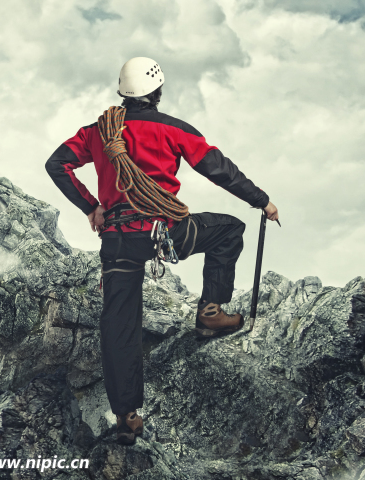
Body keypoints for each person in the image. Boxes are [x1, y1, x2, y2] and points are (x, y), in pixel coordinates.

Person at [45, 57, 279, 445]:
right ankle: (210, 313)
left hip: (118, 238)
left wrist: (91, 206)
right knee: (228, 231)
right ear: (158, 91)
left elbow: (57, 164)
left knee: (120, 324)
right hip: (164, 231)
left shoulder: (98, 133)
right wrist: (262, 201)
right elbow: (219, 170)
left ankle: (126, 418)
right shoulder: (173, 129)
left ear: (123, 92)